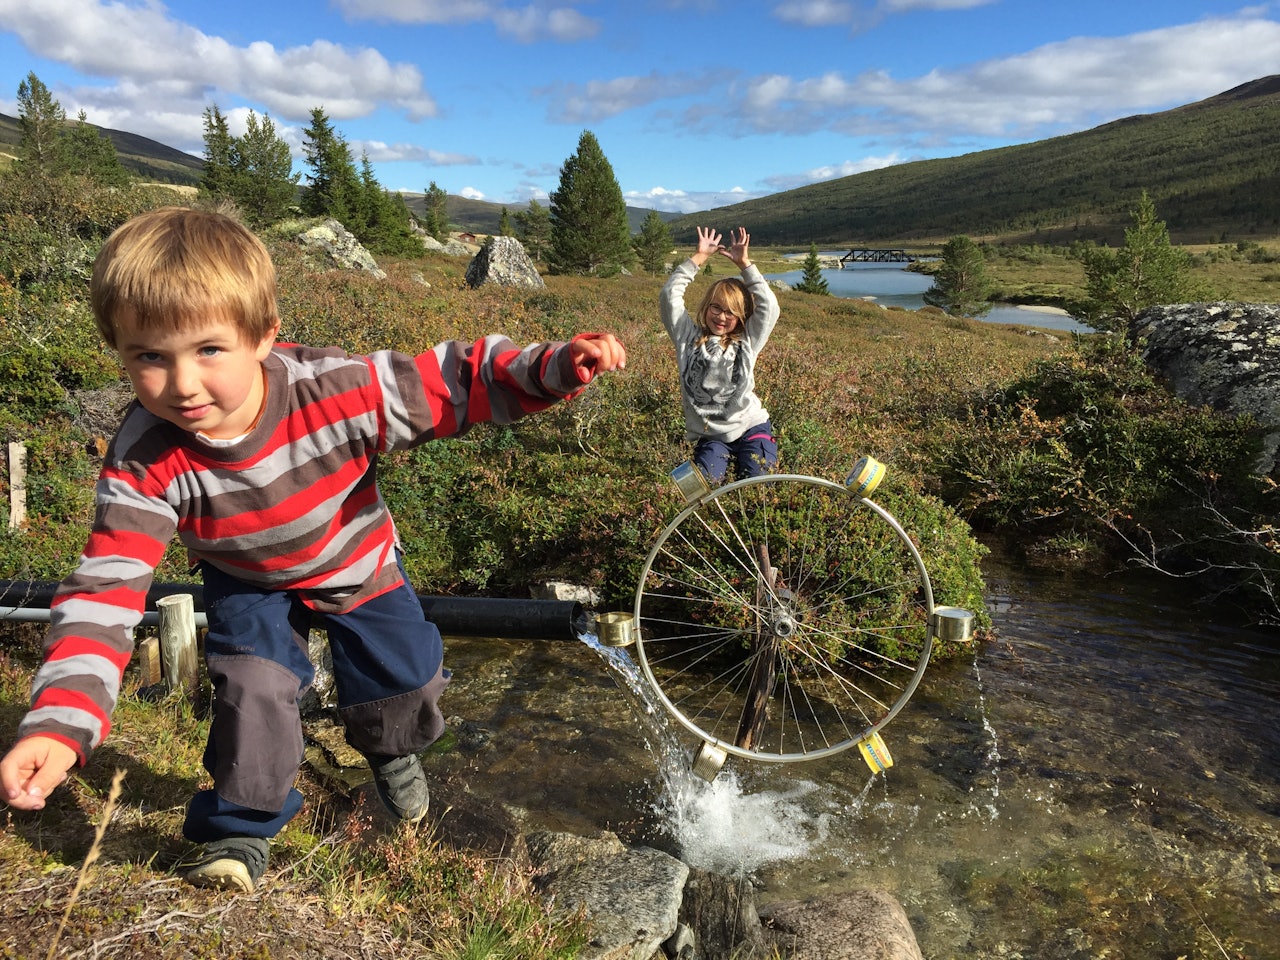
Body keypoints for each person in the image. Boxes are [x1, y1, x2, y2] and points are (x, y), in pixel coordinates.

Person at [0, 206, 626, 893]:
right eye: (149, 356)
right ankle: (240, 829)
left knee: (406, 681)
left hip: (354, 557)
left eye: (209, 349)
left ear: (264, 336)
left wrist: (552, 368)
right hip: (246, 578)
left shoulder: (335, 390)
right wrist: (60, 724)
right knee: (254, 691)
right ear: (116, 349)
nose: (181, 384)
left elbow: (454, 382)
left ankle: (390, 751)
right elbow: (105, 590)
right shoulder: (144, 458)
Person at [660, 226, 780, 483]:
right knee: (705, 487)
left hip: (752, 427)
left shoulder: (748, 340)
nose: (721, 316)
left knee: (758, 485)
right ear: (706, 307)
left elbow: (769, 307)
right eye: (716, 307)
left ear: (741, 317)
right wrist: (698, 258)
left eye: (731, 312)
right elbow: (670, 297)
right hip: (712, 437)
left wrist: (745, 265)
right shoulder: (687, 338)